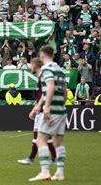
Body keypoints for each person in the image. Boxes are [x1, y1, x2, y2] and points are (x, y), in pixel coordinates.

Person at [29, 46, 66, 181]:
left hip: (53, 110)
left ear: (42, 55)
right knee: (58, 142)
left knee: (40, 140)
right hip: (61, 109)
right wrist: (38, 106)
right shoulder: (60, 69)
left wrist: (47, 107)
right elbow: (64, 90)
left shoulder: (46, 69)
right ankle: (60, 172)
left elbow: (50, 86)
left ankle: (45, 171)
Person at [18, 57, 56, 165]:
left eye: (31, 64)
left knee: (37, 134)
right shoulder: (40, 76)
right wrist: (34, 108)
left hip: (44, 110)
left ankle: (31, 158)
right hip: (42, 109)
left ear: (35, 65)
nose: (30, 66)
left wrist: (39, 106)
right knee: (45, 136)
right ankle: (54, 158)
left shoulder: (42, 76)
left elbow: (46, 93)